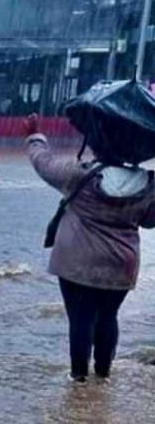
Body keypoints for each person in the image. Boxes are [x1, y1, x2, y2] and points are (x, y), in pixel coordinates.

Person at [24, 114, 155, 383]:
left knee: (80, 320)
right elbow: (150, 221)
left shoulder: (78, 175)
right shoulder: (149, 184)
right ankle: (103, 375)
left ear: (97, 144)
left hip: (77, 263)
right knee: (108, 317)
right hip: (122, 266)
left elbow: (43, 163)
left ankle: (79, 380)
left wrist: (35, 135)